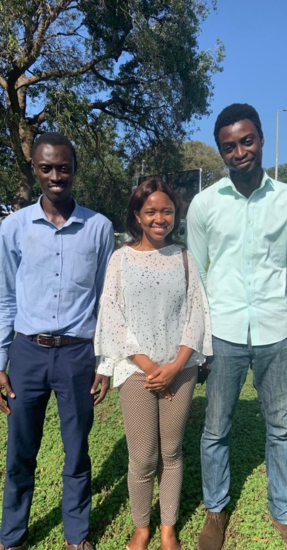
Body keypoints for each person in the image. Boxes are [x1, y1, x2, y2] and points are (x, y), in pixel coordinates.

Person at [186, 103, 287, 550]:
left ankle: (285, 513)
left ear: (261, 140)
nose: (240, 152)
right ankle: (216, 511)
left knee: (282, 428)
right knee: (216, 427)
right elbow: (195, 272)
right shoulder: (205, 204)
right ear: (221, 151)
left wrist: (275, 304)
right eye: (229, 146)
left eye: (246, 141)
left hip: (275, 330)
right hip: (225, 331)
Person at [0, 132, 114, 550]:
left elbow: (107, 300)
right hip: (26, 353)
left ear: (74, 170)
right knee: (20, 452)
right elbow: (4, 298)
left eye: (63, 167)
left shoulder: (99, 228)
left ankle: (76, 535)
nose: (55, 176)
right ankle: (11, 536)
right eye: (46, 167)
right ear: (35, 169)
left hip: (78, 355)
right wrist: (0, 360)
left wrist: (105, 360)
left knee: (76, 451)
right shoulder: (12, 228)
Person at [94, 178, 212, 550]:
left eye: (167, 211)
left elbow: (197, 312)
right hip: (137, 373)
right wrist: (148, 366)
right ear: (137, 217)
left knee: (172, 453)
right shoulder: (121, 258)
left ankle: (167, 528)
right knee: (143, 456)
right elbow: (111, 314)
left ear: (176, 215)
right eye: (151, 211)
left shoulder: (183, 258)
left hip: (180, 371)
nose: (160, 218)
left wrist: (176, 365)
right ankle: (142, 527)